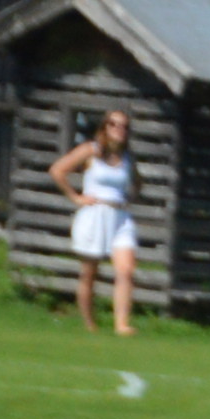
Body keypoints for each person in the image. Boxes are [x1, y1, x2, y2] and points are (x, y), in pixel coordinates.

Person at [51, 109, 140, 336]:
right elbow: (57, 170)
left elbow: (138, 183)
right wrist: (76, 197)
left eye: (124, 126)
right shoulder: (91, 150)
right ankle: (90, 325)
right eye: (114, 124)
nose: (119, 130)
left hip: (120, 216)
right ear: (105, 127)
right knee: (90, 273)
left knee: (126, 270)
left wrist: (128, 198)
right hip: (95, 215)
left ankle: (122, 325)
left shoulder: (127, 157)